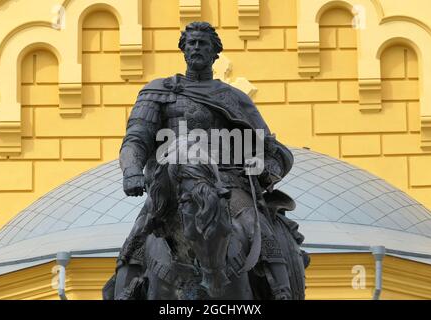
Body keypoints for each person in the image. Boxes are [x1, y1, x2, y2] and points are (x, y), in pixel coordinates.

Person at [103, 21, 306, 300]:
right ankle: (125, 290)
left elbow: (269, 146)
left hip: (227, 181)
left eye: (204, 44)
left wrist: (264, 171)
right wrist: (131, 171)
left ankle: (281, 289)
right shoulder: (159, 91)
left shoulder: (233, 98)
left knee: (253, 220)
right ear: (183, 50)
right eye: (192, 43)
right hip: (173, 180)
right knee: (139, 234)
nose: (196, 48)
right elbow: (136, 138)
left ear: (215, 53)